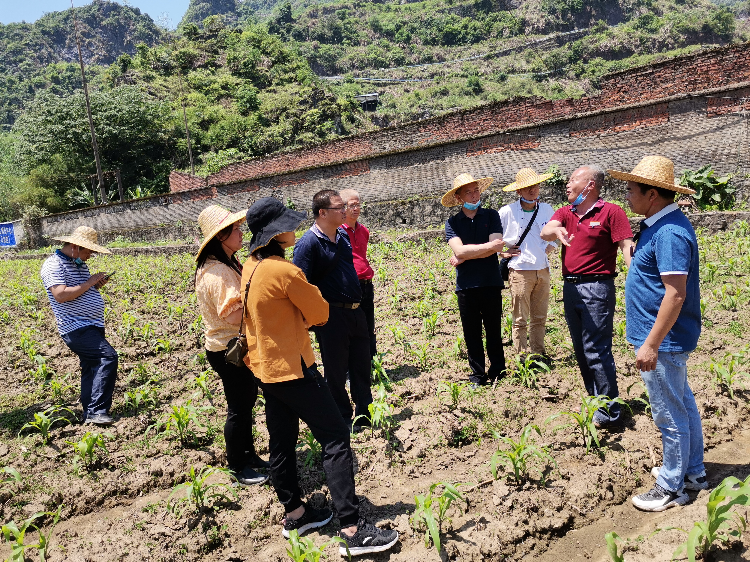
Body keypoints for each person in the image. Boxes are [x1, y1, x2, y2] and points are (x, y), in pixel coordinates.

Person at [241, 197, 399, 556]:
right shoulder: (284, 271)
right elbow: (320, 313)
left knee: (281, 441)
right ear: (275, 233)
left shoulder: (250, 267)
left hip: (265, 368)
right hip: (294, 368)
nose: (292, 226)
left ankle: (296, 512)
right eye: (286, 223)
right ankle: (353, 528)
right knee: (336, 438)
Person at [609, 156, 706, 511]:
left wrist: (651, 343)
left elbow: (675, 293)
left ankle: (671, 486)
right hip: (665, 339)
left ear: (652, 194)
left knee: (668, 413)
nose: (627, 195)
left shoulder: (670, 233)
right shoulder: (657, 225)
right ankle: (693, 472)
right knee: (682, 404)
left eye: (632, 189)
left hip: (664, 341)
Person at [540, 165, 633, 428]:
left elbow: (626, 246)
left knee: (596, 350)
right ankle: (597, 402)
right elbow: (545, 231)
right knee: (581, 350)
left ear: (590, 185)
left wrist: (636, 277)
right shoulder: (566, 213)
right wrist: (555, 231)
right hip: (571, 288)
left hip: (597, 288)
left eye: (572, 180)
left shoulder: (611, 212)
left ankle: (610, 413)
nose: (567, 185)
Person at [194, 204, 268, 486]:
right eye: (234, 229)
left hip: (232, 346)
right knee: (239, 407)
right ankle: (238, 465)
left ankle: (249, 455)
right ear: (220, 237)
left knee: (246, 402)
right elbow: (235, 313)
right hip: (229, 350)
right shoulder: (218, 272)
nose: (241, 233)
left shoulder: (226, 264)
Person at [292, 189, 373, 429]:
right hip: (331, 315)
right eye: (339, 208)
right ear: (323, 213)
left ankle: (364, 415)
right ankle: (342, 417)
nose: (345, 211)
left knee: (361, 364)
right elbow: (301, 285)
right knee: (336, 370)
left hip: (356, 310)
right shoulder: (308, 243)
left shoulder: (343, 236)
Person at [40, 226, 117, 426]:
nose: (90, 255)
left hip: (92, 324)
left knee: (91, 367)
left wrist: (94, 285)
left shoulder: (79, 264)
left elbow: (79, 290)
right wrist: (90, 283)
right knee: (107, 357)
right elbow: (61, 295)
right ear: (75, 247)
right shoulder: (53, 265)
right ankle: (97, 411)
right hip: (75, 326)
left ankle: (89, 412)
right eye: (88, 251)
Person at [444, 173, 506, 386]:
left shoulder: (491, 215)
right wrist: (485, 249)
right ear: (459, 197)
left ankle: (498, 370)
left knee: (493, 330)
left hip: (490, 281)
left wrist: (465, 253)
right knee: (471, 334)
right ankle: (477, 375)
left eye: (476, 190)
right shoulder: (452, 222)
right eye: (468, 192)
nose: (473, 195)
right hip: (466, 286)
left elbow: (496, 246)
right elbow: (460, 251)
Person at [499, 168, 558, 363]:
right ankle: (522, 357)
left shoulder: (547, 210)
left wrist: (548, 249)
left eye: (535, 185)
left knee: (540, 316)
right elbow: (494, 238)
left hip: (543, 269)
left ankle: (539, 354)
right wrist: (503, 253)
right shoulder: (507, 212)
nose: (533, 190)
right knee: (520, 318)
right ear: (519, 191)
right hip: (520, 270)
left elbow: (556, 234)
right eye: (527, 187)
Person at [339, 189, 377, 360]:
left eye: (357, 205)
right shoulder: (337, 233)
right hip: (349, 287)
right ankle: (350, 369)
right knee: (351, 328)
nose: (356, 209)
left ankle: (371, 363)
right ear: (343, 208)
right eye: (351, 205)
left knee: (369, 326)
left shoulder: (364, 231)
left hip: (366, 284)